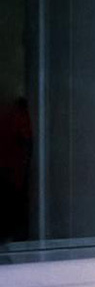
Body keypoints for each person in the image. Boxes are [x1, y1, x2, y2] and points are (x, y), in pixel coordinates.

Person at [0, 97, 33, 243]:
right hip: (11, 173)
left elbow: (26, 141)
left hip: (13, 174)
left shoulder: (17, 116)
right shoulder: (15, 116)